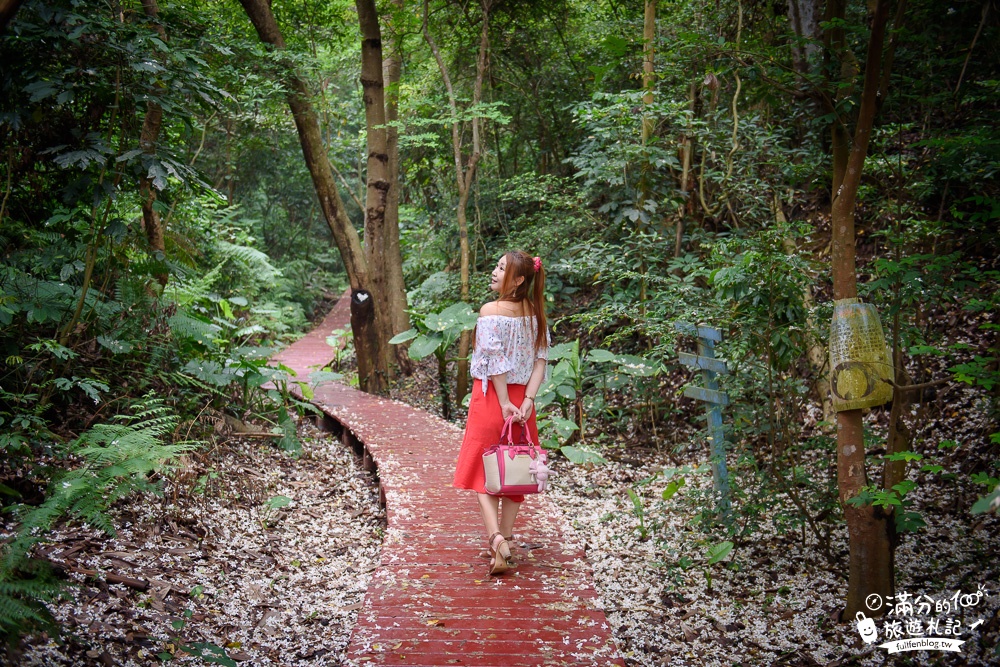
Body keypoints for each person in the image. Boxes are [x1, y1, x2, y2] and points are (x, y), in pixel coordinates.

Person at [452, 251, 550, 575]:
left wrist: (505, 401)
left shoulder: (489, 311)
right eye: (496, 266)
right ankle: (507, 537)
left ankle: (496, 540)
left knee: (485, 469)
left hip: (493, 398)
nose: (494, 272)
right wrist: (528, 401)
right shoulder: (536, 314)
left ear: (519, 279)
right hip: (523, 403)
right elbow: (541, 360)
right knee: (516, 469)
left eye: (501, 268)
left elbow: (494, 362)